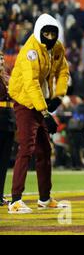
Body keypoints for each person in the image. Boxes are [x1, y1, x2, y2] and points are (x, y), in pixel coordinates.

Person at [7, 14, 69, 213]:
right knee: (26, 148)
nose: (50, 36)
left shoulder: (57, 47)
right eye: (46, 33)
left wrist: (59, 95)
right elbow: (31, 84)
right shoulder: (30, 52)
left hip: (39, 102)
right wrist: (45, 113)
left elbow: (64, 71)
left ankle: (44, 198)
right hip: (25, 101)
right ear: (38, 32)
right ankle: (15, 200)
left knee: (44, 150)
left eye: (53, 33)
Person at [0, 51, 16, 206]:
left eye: (1, 58)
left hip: (9, 121)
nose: (1, 60)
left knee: (4, 161)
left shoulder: (7, 78)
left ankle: (0, 195)